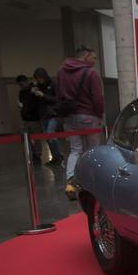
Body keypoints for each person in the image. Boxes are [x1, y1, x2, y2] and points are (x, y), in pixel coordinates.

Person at [57, 45, 104, 200]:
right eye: (93, 58)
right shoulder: (91, 73)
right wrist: (99, 115)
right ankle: (92, 184)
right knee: (93, 151)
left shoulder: (61, 72)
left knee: (75, 150)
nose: (94, 61)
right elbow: (98, 99)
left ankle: (71, 182)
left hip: (69, 117)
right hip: (89, 116)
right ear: (86, 56)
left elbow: (59, 96)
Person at [31, 67, 64, 166]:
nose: (39, 80)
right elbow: (35, 102)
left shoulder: (53, 85)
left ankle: (58, 156)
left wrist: (43, 95)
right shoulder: (39, 86)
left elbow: (57, 99)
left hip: (52, 114)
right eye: (37, 78)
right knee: (47, 137)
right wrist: (33, 93)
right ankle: (55, 157)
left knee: (50, 134)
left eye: (40, 78)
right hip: (43, 115)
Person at [16, 74, 43, 163]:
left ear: (25, 81)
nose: (21, 86)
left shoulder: (34, 89)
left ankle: (37, 155)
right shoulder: (21, 92)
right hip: (24, 118)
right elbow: (22, 103)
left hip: (34, 118)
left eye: (22, 84)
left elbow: (36, 101)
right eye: (19, 85)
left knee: (36, 138)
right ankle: (30, 154)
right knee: (25, 138)